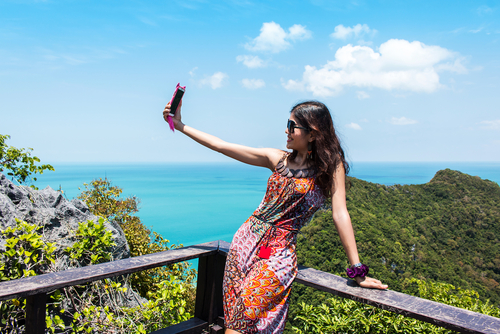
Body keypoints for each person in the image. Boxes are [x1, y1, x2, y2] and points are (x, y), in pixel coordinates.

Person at [163, 100, 387, 334]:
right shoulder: (277, 159)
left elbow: (340, 213)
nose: (286, 130)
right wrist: (179, 125)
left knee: (237, 328)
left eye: (292, 125)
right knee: (235, 322)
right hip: (243, 245)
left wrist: (357, 269)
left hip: (277, 255)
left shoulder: (330, 167)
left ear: (313, 134)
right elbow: (221, 146)